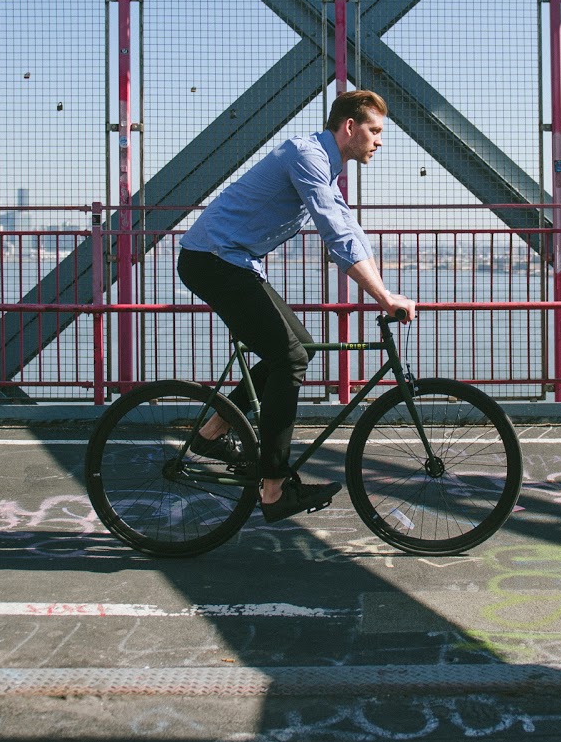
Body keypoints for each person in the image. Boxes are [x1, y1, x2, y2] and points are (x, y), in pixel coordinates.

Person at [177, 89, 417, 523]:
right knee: (288, 359)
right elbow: (333, 233)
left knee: (298, 348)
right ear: (350, 127)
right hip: (212, 260)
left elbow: (349, 228)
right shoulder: (306, 157)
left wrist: (386, 289)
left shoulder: (326, 167)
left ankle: (212, 434)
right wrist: (382, 298)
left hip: (233, 260)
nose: (380, 141)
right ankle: (274, 488)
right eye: (375, 131)